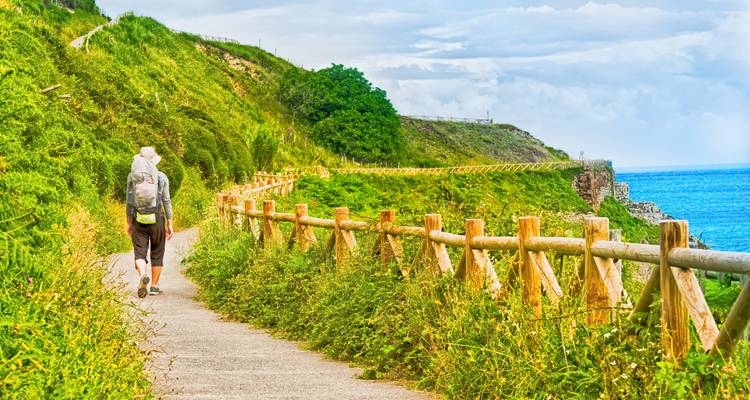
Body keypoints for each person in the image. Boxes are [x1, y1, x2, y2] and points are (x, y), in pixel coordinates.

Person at [126, 147, 174, 298]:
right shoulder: (161, 177)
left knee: (139, 251)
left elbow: (129, 202)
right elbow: (166, 201)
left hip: (138, 217)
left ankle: (142, 275)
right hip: (157, 217)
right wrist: (170, 222)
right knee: (157, 251)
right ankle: (153, 286)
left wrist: (129, 222)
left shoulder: (132, 177)